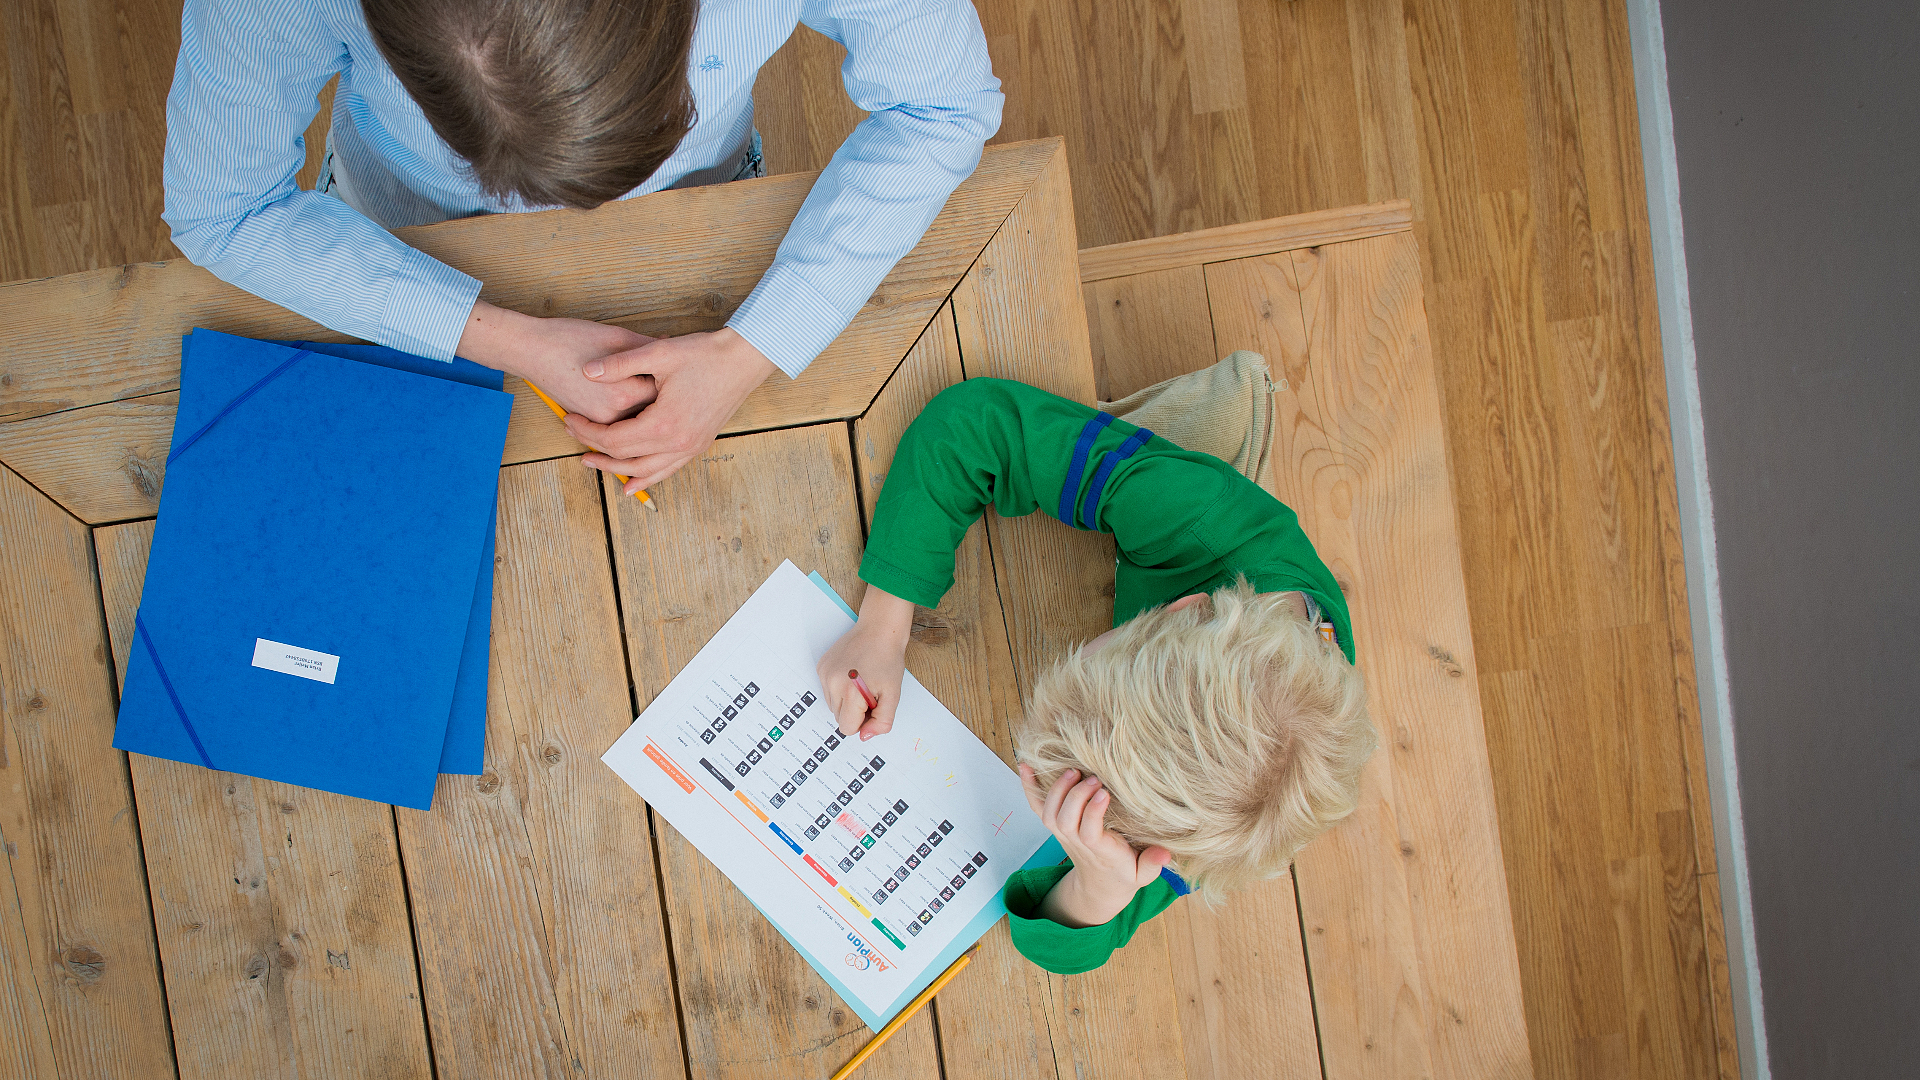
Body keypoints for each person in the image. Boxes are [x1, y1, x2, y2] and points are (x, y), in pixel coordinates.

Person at [162, 0, 1001, 492]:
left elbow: (948, 105)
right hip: (400, 227)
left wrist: (754, 347)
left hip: (707, 216)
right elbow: (223, 211)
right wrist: (511, 340)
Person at [815, 378, 1376, 973]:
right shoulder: (1194, 510)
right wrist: (882, 622)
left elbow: (1059, 951)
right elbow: (973, 424)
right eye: (1086, 658)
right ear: (1182, 608)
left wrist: (1101, 888)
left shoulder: (1205, 827)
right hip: (1193, 514)